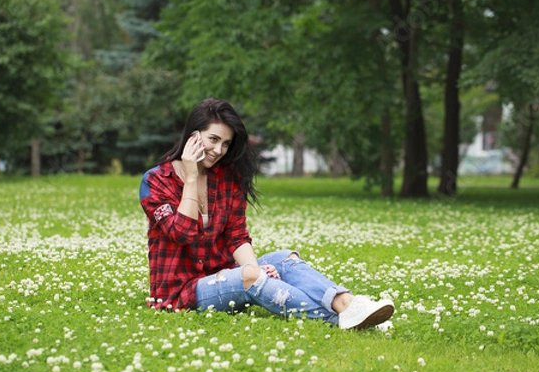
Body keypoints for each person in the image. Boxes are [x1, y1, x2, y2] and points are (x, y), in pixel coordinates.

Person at [139, 97, 394, 329]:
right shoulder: (157, 181)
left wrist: (254, 268)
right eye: (213, 140)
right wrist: (192, 177)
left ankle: (347, 305)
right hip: (180, 292)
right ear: (193, 137)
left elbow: (236, 237)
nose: (219, 151)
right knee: (249, 275)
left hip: (223, 273)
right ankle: (343, 319)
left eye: (226, 144)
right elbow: (181, 233)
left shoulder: (227, 179)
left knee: (283, 259)